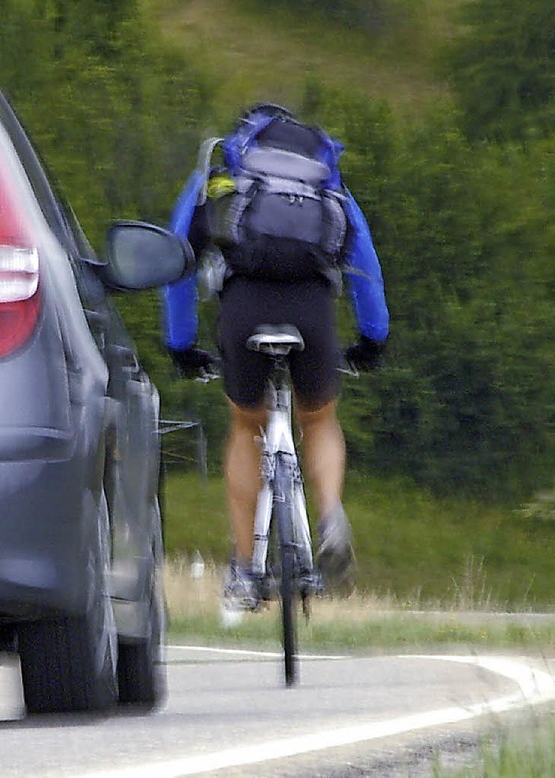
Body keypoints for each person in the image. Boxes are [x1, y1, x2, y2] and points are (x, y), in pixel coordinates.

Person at [163, 104, 389, 611]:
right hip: (312, 307)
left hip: (244, 307)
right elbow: (364, 257)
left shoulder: (223, 168)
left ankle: (245, 571)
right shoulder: (325, 178)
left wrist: (181, 344)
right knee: (320, 417)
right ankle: (329, 514)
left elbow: (179, 256)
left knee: (246, 424)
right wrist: (374, 337)